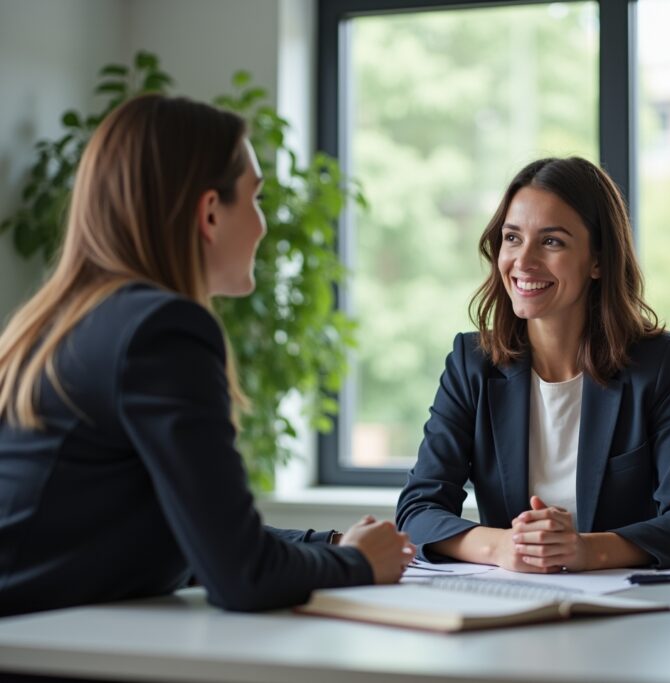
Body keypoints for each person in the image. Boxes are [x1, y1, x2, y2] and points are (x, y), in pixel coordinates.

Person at [0, 94, 413, 617]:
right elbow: (243, 577)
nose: (263, 225)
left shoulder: (64, 321)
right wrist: (357, 564)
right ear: (211, 212)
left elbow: (191, 536)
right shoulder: (162, 330)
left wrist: (326, 545)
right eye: (256, 199)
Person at [396, 156, 670, 572]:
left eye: (551, 242)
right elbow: (417, 511)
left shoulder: (656, 365)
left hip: (625, 612)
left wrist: (587, 549)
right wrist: (502, 546)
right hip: (512, 606)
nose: (524, 261)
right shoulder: (472, 363)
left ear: (599, 261)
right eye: (512, 238)